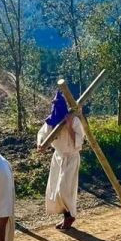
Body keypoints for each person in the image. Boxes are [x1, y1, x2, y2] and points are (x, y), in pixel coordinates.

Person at [36, 90, 85, 230]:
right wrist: (40, 143)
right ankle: (66, 216)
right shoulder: (51, 121)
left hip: (71, 157)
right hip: (58, 157)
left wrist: (69, 127)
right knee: (55, 190)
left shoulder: (74, 120)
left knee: (64, 189)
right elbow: (42, 134)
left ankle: (70, 215)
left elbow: (79, 142)